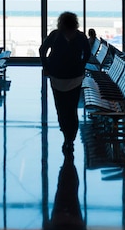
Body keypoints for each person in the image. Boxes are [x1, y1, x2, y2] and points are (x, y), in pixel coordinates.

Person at [39, 12, 91, 155]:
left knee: (61, 107)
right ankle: (70, 138)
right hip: (75, 77)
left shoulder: (55, 35)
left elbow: (42, 50)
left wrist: (46, 67)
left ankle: (66, 135)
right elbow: (87, 53)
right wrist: (81, 66)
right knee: (72, 108)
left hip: (57, 76)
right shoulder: (80, 36)